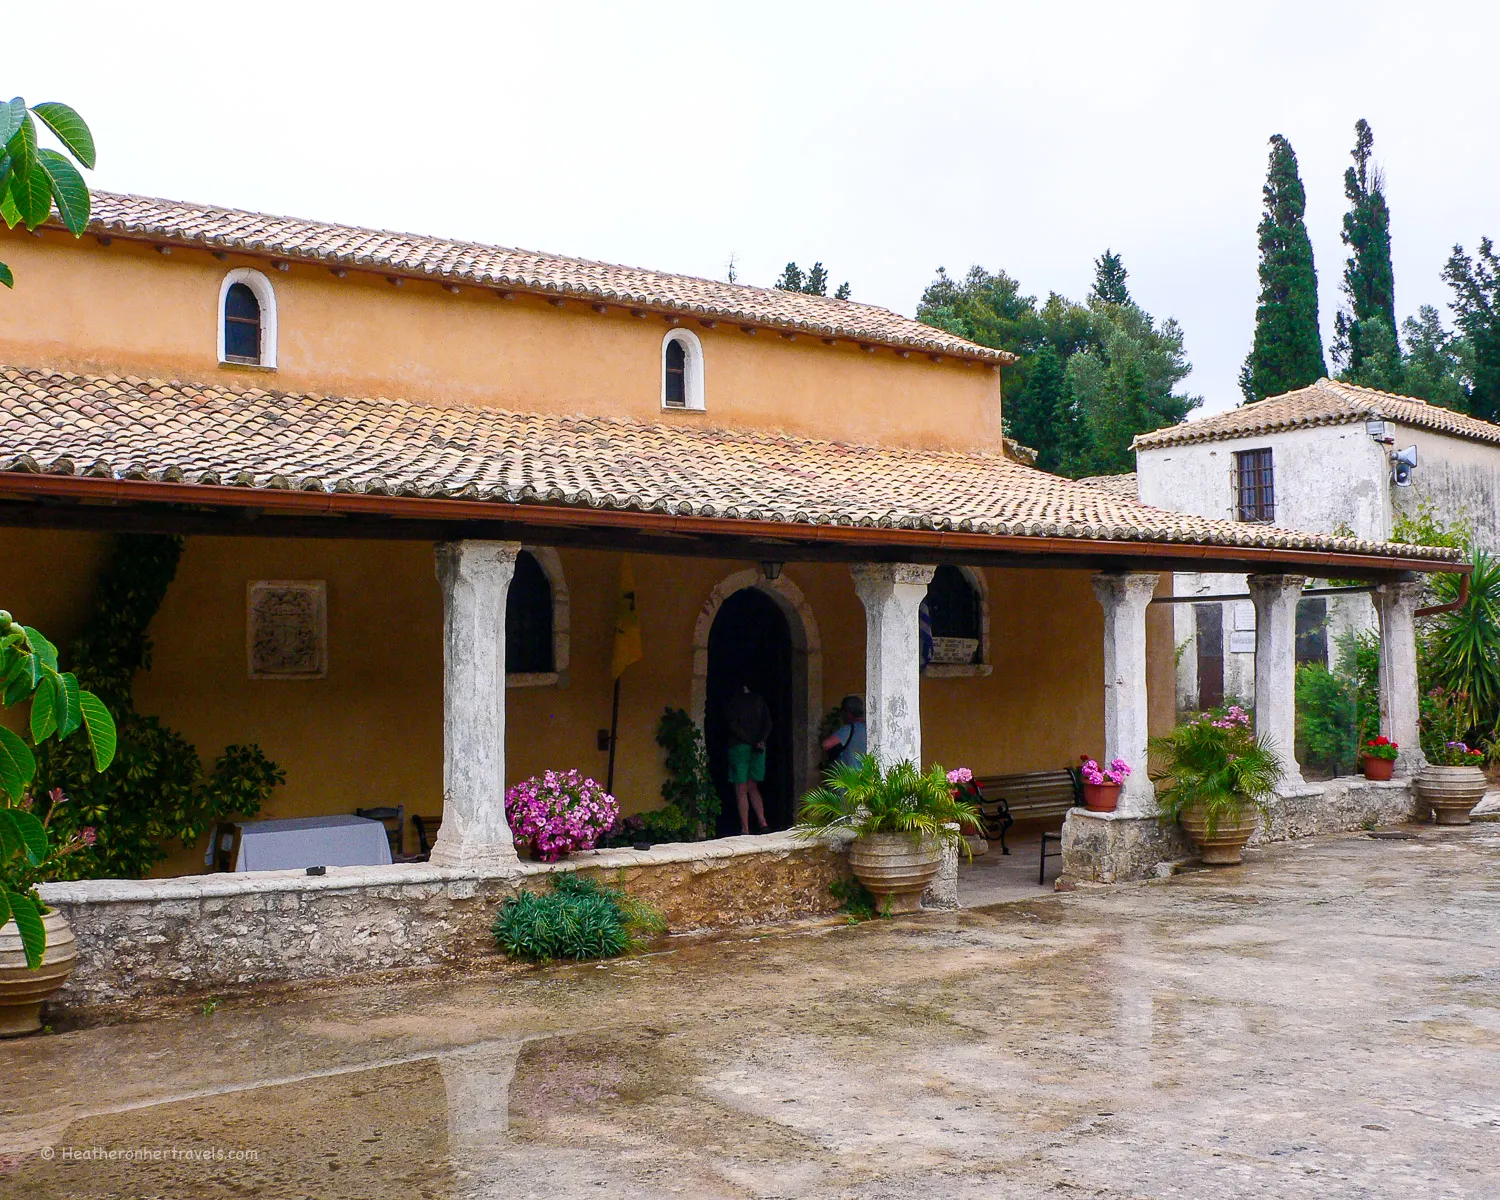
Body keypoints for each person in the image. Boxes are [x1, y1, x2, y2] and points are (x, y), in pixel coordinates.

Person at [724, 683, 772, 835]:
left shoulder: (733, 702)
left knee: (741, 788)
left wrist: (749, 741)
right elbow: (768, 723)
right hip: (758, 748)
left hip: (740, 748)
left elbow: (733, 726)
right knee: (752, 786)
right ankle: (763, 822)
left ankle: (745, 829)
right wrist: (761, 740)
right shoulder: (759, 700)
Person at [821, 694, 867, 769]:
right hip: (868, 774)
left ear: (847, 712)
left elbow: (826, 744)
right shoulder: (868, 727)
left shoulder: (849, 729)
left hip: (851, 774)